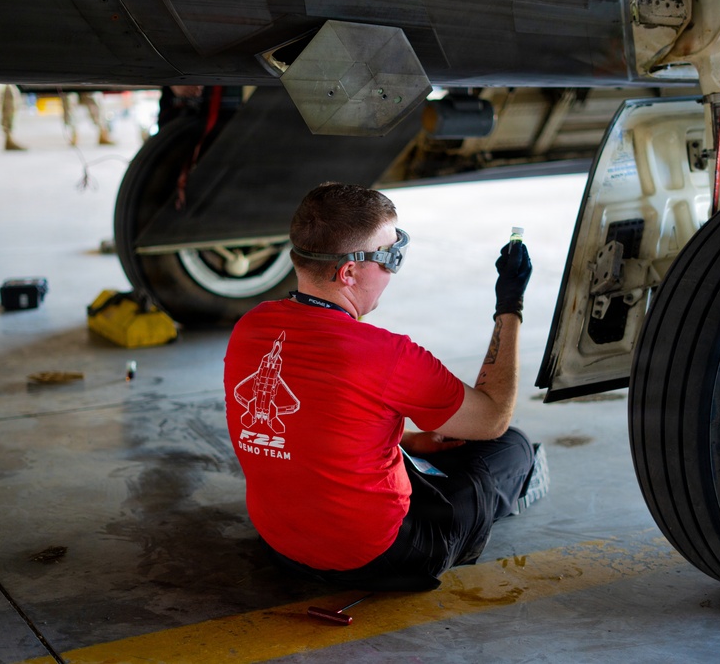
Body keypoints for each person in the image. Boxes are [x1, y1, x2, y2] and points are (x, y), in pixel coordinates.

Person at [224, 182, 546, 591]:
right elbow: (493, 416)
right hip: (379, 558)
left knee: (421, 446)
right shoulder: (385, 354)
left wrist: (407, 439)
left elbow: (310, 421)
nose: (393, 270)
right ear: (348, 272)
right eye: (390, 258)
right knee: (508, 448)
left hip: (282, 544)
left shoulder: (250, 328)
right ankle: (510, 489)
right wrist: (509, 305)